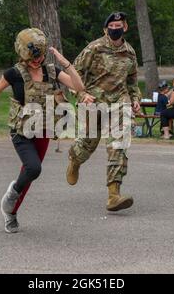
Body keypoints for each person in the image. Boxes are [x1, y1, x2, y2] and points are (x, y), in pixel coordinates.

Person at [0, 28, 85, 233]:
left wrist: (64, 62)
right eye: (32, 57)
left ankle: (10, 213)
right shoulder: (14, 73)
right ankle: (10, 199)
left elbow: (79, 85)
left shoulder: (51, 71)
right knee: (33, 168)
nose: (36, 61)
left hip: (42, 130)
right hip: (20, 131)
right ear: (22, 54)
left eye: (40, 56)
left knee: (28, 173)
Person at [66, 12, 142, 212]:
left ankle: (113, 195)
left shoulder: (130, 52)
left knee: (119, 145)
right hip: (93, 103)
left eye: (119, 24)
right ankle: (75, 160)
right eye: (112, 25)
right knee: (87, 144)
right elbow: (72, 74)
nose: (116, 28)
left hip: (119, 102)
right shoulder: (94, 48)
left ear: (125, 27)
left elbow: (133, 82)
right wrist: (81, 95)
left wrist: (135, 100)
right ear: (105, 29)